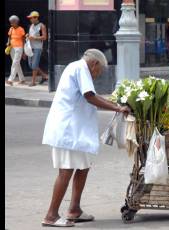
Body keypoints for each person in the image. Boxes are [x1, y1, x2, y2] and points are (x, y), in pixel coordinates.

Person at [41, 49, 130, 227]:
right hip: (68, 130)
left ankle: (74, 209)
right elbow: (89, 96)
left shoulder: (77, 67)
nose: (98, 75)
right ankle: (51, 215)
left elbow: (91, 95)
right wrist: (117, 108)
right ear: (94, 64)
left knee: (83, 167)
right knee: (66, 171)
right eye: (100, 71)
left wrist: (113, 104)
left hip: (76, 131)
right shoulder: (81, 68)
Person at [26, 11, 49, 87]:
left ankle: (33, 82)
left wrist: (34, 38)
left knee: (34, 65)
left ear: (36, 18)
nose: (30, 19)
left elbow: (45, 37)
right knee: (31, 65)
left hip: (37, 48)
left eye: (31, 18)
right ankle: (44, 76)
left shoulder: (42, 26)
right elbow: (30, 35)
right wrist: (28, 35)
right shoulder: (31, 26)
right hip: (30, 47)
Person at [6, 15, 26, 86]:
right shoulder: (11, 29)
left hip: (19, 48)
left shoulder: (21, 29)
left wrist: (23, 51)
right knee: (17, 64)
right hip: (12, 48)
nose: (11, 23)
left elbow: (24, 40)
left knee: (14, 63)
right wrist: (8, 42)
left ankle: (10, 80)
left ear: (17, 22)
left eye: (13, 22)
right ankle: (22, 79)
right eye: (10, 22)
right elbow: (9, 37)